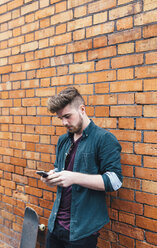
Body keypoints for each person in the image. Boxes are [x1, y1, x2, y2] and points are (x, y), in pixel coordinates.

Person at [41, 87, 122, 248]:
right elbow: (60, 169)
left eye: (67, 116)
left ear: (82, 109)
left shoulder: (104, 139)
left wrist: (73, 177)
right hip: (55, 224)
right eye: (60, 118)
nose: (64, 122)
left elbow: (115, 181)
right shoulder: (63, 140)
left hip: (82, 230)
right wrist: (52, 177)